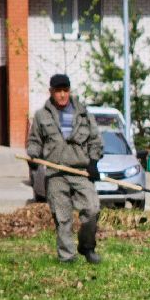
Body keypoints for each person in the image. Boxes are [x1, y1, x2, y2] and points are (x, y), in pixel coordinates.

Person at [27, 73, 104, 265]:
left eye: (65, 90)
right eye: (58, 91)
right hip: (56, 173)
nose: (62, 95)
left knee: (92, 208)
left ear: (69, 91)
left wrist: (93, 163)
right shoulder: (41, 115)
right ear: (51, 92)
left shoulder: (83, 113)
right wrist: (33, 157)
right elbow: (35, 141)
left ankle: (87, 247)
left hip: (81, 171)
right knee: (62, 216)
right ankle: (67, 256)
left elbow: (95, 140)